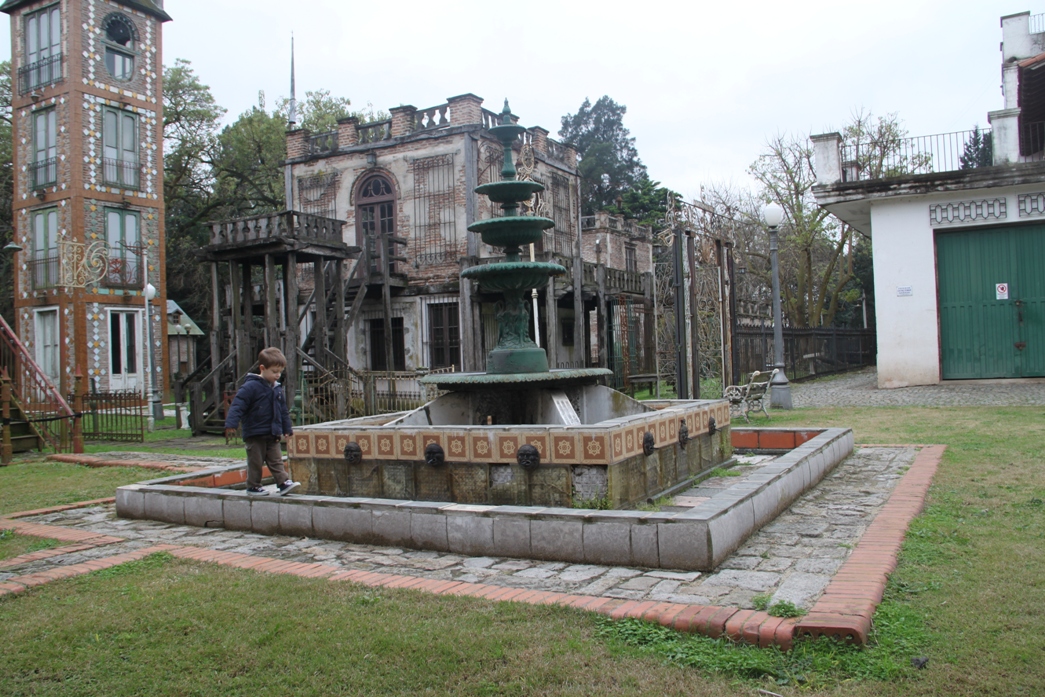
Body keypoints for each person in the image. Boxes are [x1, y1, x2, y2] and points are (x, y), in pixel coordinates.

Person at [224, 347, 300, 496]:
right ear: (262, 368)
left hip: (272, 433)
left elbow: (283, 411)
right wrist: (231, 423)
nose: (277, 375)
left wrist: (287, 428)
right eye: (274, 371)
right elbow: (238, 405)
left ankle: (283, 482)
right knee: (256, 462)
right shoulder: (250, 387)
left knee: (276, 460)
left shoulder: (277, 389)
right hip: (255, 433)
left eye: (280, 372)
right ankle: (253, 486)